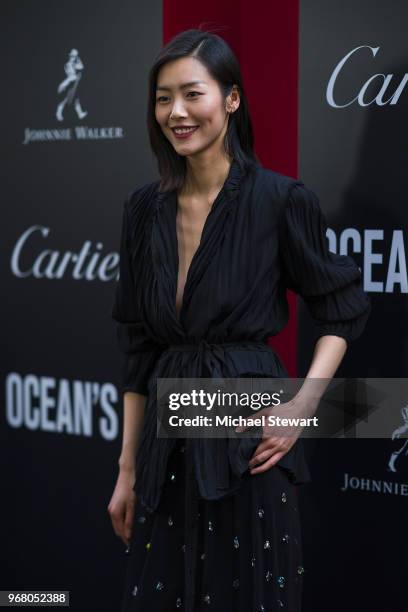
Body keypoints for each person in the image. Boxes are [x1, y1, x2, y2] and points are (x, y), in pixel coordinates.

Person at [107, 29, 371, 612]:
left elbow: (342, 305)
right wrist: (127, 467)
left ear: (231, 99)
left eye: (192, 94)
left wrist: (305, 405)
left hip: (248, 432)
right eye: (161, 97)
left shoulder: (280, 200)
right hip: (167, 444)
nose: (175, 112)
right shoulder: (142, 210)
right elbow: (137, 347)